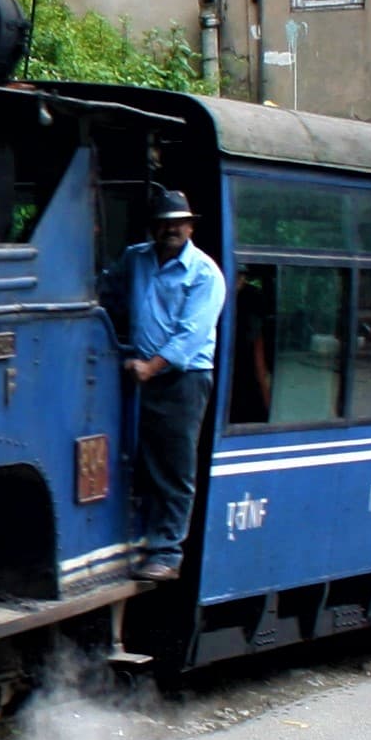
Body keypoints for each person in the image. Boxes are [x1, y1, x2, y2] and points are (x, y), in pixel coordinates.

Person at [106, 188, 225, 582]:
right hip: (142, 370)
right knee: (137, 457)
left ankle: (168, 551)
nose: (170, 229)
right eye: (163, 223)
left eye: (177, 223)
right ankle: (134, 539)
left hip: (182, 378)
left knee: (174, 465)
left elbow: (190, 336)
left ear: (190, 227)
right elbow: (110, 293)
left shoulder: (204, 273)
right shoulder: (135, 259)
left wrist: (150, 367)